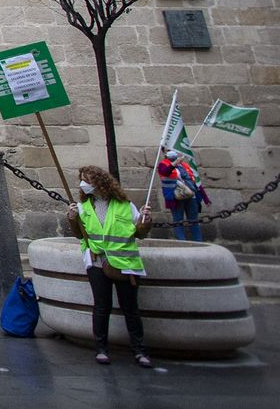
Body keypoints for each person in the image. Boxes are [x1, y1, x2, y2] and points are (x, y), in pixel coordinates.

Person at [67, 164, 153, 368]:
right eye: (82, 180)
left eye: (87, 180)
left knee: (130, 308)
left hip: (125, 263)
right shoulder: (84, 207)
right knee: (101, 306)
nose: (83, 184)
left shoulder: (124, 205)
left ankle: (140, 350)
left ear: (100, 182)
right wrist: (71, 219)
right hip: (97, 262)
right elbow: (79, 234)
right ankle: (101, 349)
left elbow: (139, 232)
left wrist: (145, 221)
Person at [157, 147, 207, 242]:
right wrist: (174, 164)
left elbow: (193, 180)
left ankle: (198, 242)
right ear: (164, 153)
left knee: (194, 220)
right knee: (178, 220)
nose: (171, 152)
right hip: (176, 196)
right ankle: (181, 242)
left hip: (191, 195)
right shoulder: (162, 165)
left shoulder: (184, 165)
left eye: (172, 149)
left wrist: (203, 196)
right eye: (168, 150)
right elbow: (165, 172)